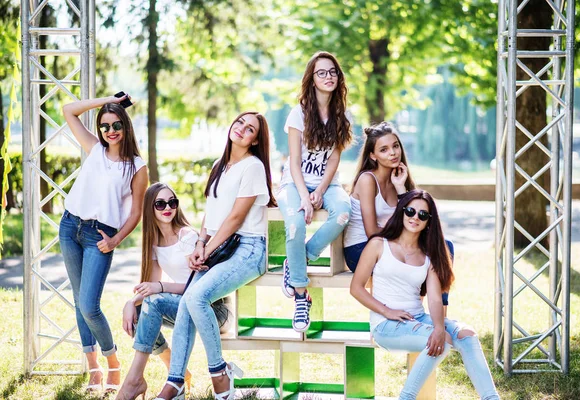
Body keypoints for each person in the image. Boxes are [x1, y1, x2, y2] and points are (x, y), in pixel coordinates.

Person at [154, 111, 276, 400]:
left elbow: (235, 218)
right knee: (187, 301)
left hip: (249, 248)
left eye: (250, 129)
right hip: (219, 246)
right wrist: (200, 244)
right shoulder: (220, 165)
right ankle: (175, 381)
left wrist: (207, 249)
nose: (242, 129)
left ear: (256, 139)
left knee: (196, 297)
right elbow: (213, 214)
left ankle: (220, 375)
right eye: (240, 123)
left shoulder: (253, 166)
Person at [350, 190, 500, 400]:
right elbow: (356, 288)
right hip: (385, 324)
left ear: (429, 221)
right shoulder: (378, 244)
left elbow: (435, 298)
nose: (415, 217)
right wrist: (387, 311)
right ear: (402, 212)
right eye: (411, 211)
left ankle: (492, 398)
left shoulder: (429, 255)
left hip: (416, 318)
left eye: (422, 215)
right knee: (442, 341)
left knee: (467, 335)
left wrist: (439, 327)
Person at [59, 94, 148, 394]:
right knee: (78, 301)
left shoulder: (136, 165)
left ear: (126, 127)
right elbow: (68, 110)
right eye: (105, 125)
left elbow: (136, 212)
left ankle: (113, 363)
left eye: (117, 125)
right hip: (70, 226)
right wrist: (108, 101)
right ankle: (93, 369)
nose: (111, 131)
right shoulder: (95, 150)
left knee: (89, 305)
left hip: (100, 236)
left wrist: (116, 240)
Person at [278, 51, 353, 332]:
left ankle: (300, 257)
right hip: (294, 182)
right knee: (296, 223)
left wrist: (321, 190)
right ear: (312, 78)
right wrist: (305, 198)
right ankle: (300, 294)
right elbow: (294, 162)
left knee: (344, 212)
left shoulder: (340, 115)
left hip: (327, 183)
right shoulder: (298, 113)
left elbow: (333, 159)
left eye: (332, 71)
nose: (328, 76)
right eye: (321, 72)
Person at [116, 182, 210, 399]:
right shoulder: (155, 242)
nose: (168, 207)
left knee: (153, 303)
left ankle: (134, 380)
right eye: (160, 204)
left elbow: (195, 286)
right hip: (182, 305)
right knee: (142, 311)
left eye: (172, 202)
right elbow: (153, 283)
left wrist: (160, 288)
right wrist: (131, 302)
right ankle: (178, 371)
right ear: (150, 208)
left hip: (204, 306)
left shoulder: (186, 236)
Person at [343, 122, 415, 272]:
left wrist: (401, 188)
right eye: (384, 150)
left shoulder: (400, 179)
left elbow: (411, 220)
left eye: (395, 146)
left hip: (387, 245)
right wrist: (404, 238)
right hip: (360, 249)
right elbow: (372, 232)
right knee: (416, 257)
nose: (393, 153)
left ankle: (438, 297)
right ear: (373, 156)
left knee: (444, 246)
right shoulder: (367, 180)